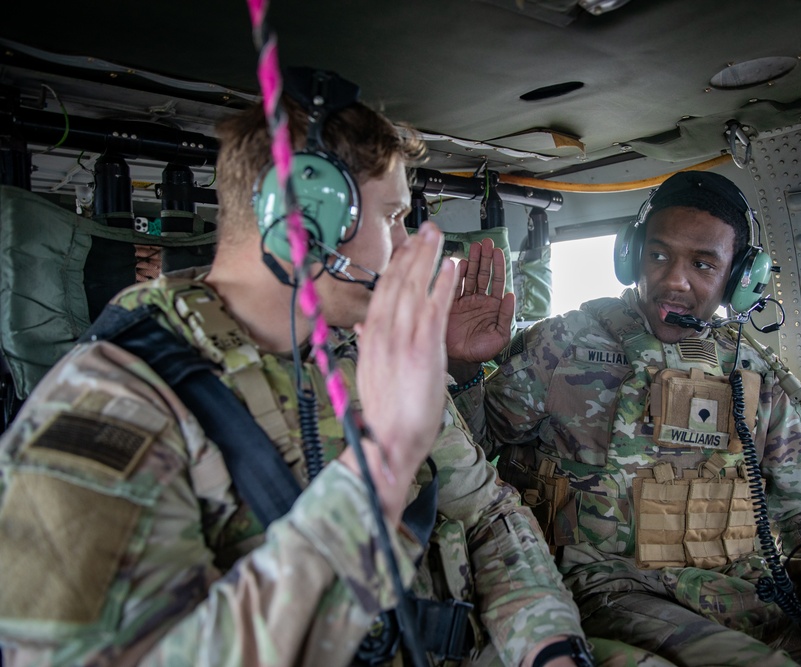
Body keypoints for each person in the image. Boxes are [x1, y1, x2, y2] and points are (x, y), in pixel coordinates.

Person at [0, 70, 672, 667]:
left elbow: (491, 516)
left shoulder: (363, 354)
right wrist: (375, 473)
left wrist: (547, 644)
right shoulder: (111, 402)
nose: (409, 245)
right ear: (307, 219)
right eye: (394, 217)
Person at [448, 171, 801, 667]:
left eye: (704, 264)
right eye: (659, 254)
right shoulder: (562, 345)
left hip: (738, 583)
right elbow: (472, 451)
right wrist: (464, 368)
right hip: (607, 587)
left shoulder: (751, 372)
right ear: (632, 255)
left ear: (738, 276)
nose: (673, 280)